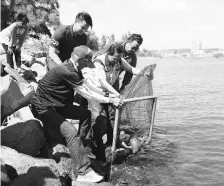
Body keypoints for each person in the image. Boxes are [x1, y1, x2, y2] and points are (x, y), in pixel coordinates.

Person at [30, 46, 123, 182]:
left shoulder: (74, 68)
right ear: (79, 60)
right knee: (71, 132)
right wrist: (110, 100)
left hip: (57, 104)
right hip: (43, 107)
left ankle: (84, 148)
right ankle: (83, 171)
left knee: (86, 114)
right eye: (86, 63)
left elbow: (90, 86)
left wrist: (109, 94)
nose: (88, 67)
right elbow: (88, 94)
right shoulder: (67, 71)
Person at [92, 42, 152, 146]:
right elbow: (103, 82)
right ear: (109, 54)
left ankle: (111, 143)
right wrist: (117, 93)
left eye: (118, 58)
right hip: (96, 92)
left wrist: (144, 73)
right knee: (98, 118)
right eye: (114, 58)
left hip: (109, 92)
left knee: (113, 116)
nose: (116, 61)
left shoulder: (119, 60)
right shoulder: (98, 62)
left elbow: (131, 69)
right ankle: (95, 144)